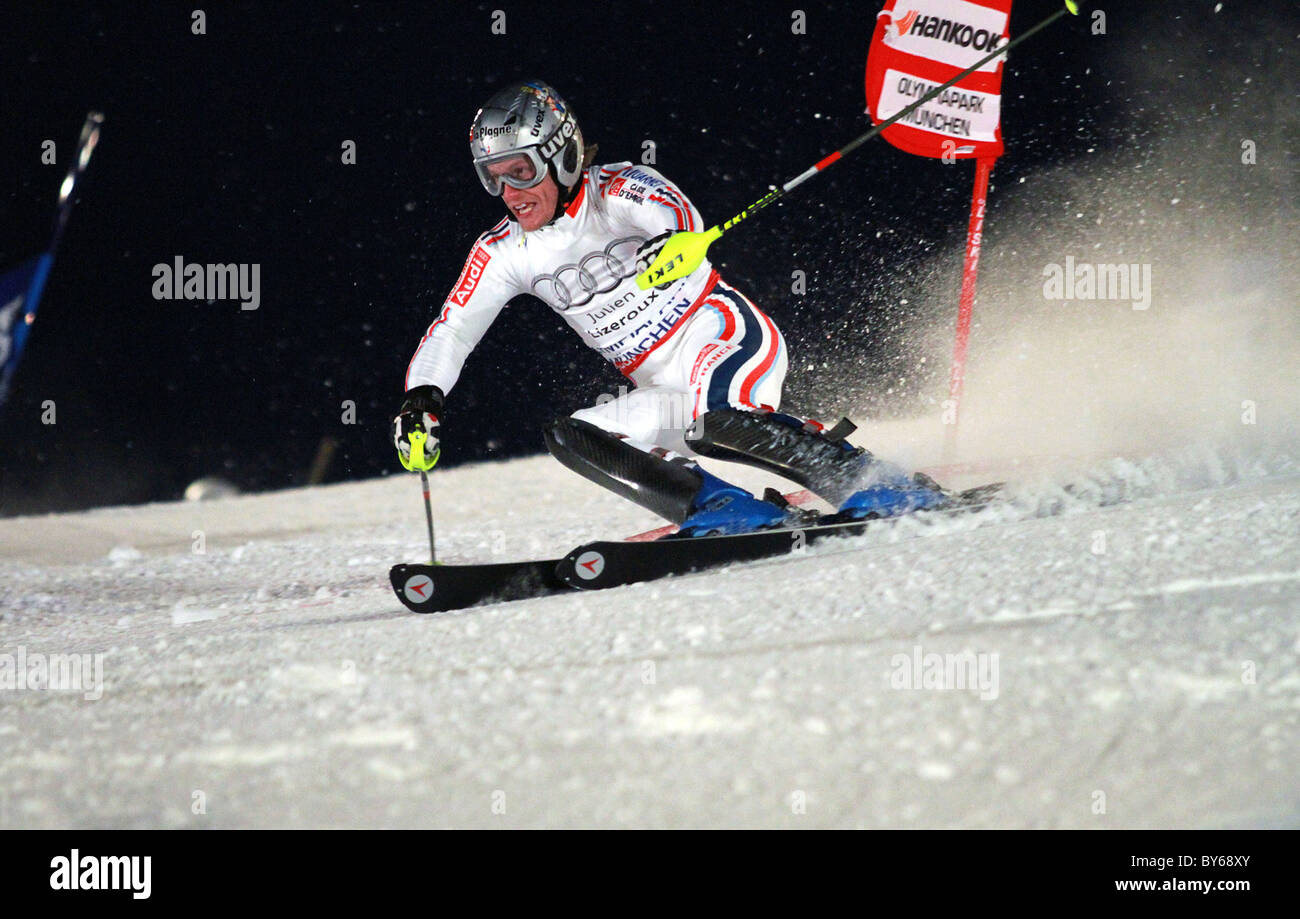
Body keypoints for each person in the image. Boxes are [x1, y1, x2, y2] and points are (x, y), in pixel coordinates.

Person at [392, 79, 947, 536]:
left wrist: (674, 242)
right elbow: (454, 328)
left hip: (722, 337)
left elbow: (672, 211)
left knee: (720, 422)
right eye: (494, 177)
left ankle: (878, 482)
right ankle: (727, 509)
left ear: (560, 157)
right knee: (573, 435)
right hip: (664, 390)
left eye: (521, 171)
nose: (511, 192)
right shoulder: (501, 251)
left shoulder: (617, 190)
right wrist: (422, 397)